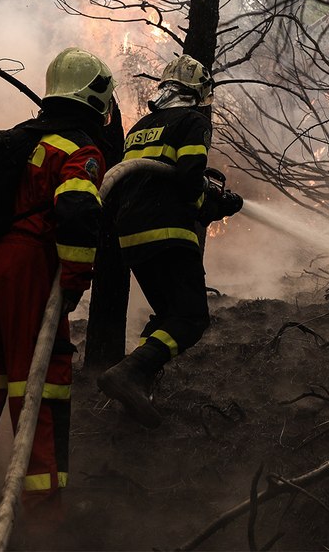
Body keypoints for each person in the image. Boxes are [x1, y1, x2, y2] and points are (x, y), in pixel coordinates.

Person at [0, 47, 116, 537]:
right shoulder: (79, 148)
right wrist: (74, 280)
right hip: (26, 265)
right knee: (40, 386)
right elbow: (76, 211)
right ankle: (45, 517)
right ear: (97, 99)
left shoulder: (19, 138)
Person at [97, 53, 242, 428]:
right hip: (169, 233)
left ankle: (138, 396)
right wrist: (210, 204)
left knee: (169, 315)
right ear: (198, 93)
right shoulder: (192, 121)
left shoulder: (140, 127)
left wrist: (204, 199)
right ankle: (127, 374)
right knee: (192, 319)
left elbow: (147, 178)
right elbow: (189, 174)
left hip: (133, 237)